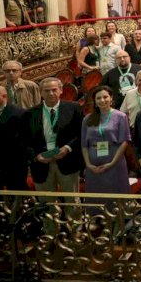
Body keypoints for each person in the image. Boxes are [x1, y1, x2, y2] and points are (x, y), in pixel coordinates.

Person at [25, 78, 83, 213]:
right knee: (46, 204)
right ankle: (50, 232)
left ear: (61, 90)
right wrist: (36, 156)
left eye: (54, 90)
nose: (51, 93)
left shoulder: (73, 108)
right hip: (41, 164)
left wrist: (67, 148)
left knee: (72, 202)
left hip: (67, 161)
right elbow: (25, 140)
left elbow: (80, 134)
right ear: (40, 93)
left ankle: (76, 232)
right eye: (47, 91)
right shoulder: (30, 113)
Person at [81, 86, 131, 199]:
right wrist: (88, 164)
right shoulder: (87, 119)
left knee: (116, 194)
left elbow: (124, 142)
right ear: (94, 100)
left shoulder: (120, 116)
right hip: (93, 163)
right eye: (99, 98)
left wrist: (112, 163)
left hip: (114, 161)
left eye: (105, 97)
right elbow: (84, 145)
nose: (102, 100)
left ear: (111, 98)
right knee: (96, 195)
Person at [0, 85, 26, 190]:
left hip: (11, 166)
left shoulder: (19, 114)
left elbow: (20, 144)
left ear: (4, 97)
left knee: (14, 201)